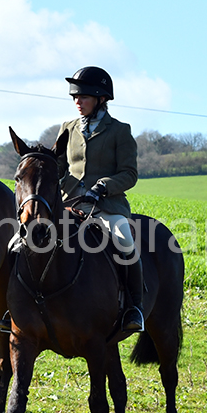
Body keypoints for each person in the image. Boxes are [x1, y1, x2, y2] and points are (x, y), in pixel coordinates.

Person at [55, 66, 144, 334]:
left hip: (106, 205)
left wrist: (103, 186)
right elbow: (58, 166)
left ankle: (134, 306)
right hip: (70, 202)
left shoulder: (120, 131)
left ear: (101, 98)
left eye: (83, 97)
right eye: (75, 97)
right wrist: (61, 180)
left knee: (125, 241)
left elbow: (129, 174)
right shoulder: (67, 128)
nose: (77, 102)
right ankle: (17, 306)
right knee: (26, 239)